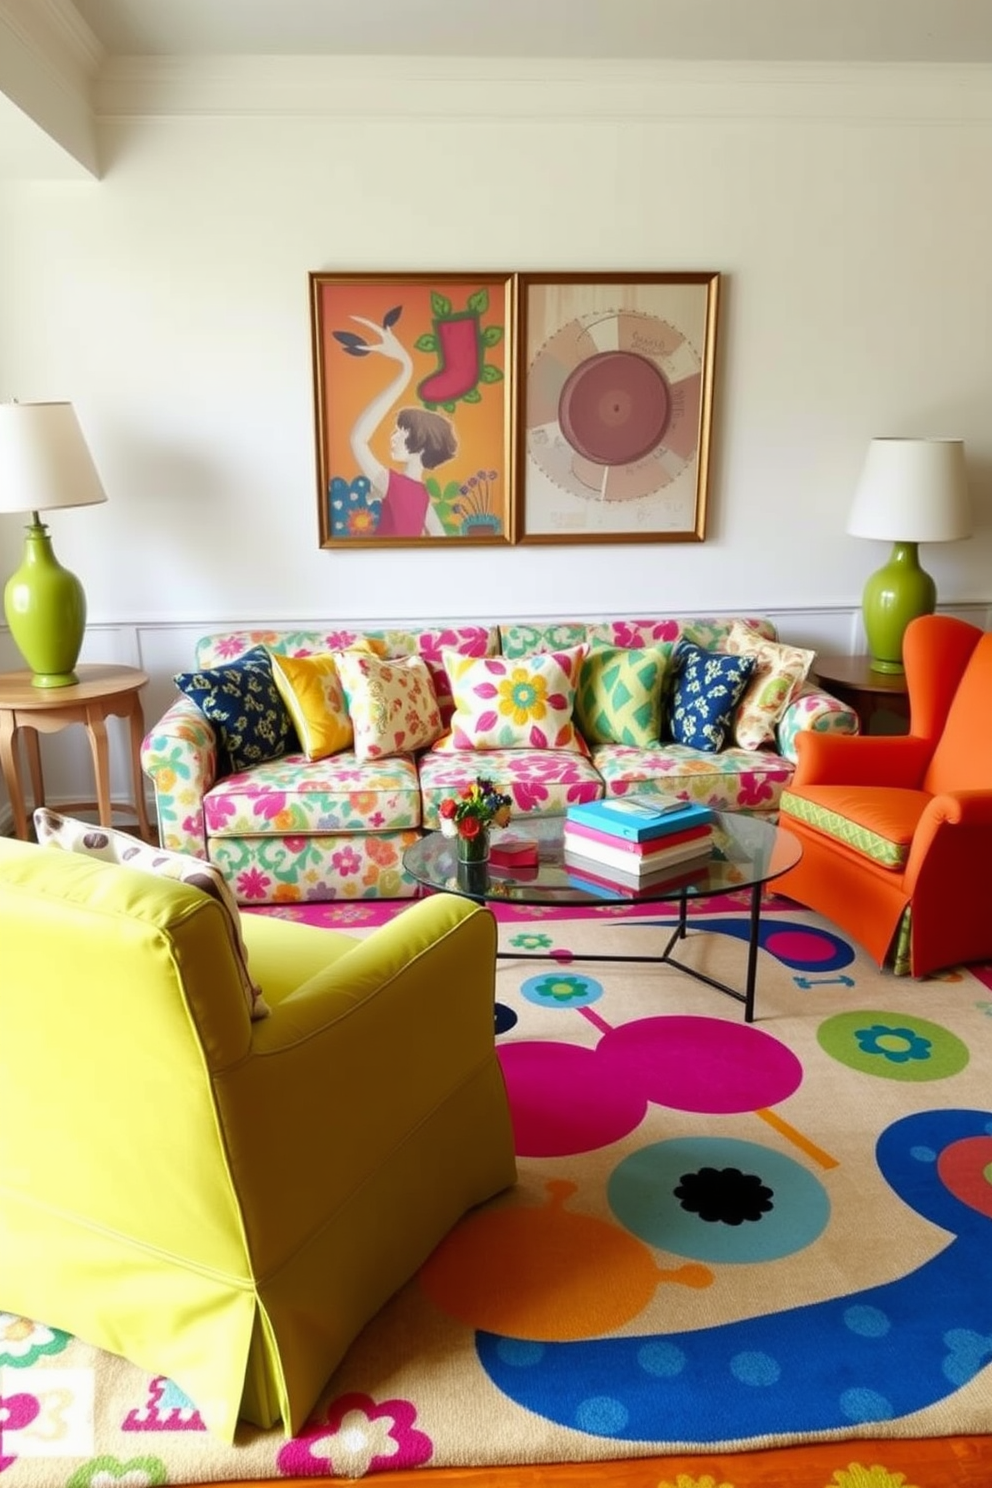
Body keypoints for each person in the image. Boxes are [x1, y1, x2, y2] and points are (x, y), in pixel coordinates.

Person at [347, 317, 457, 537]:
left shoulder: (395, 485)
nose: (393, 437)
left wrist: (406, 369)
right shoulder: (421, 495)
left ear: (423, 445)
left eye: (402, 432)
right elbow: (442, 539)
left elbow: (357, 439)